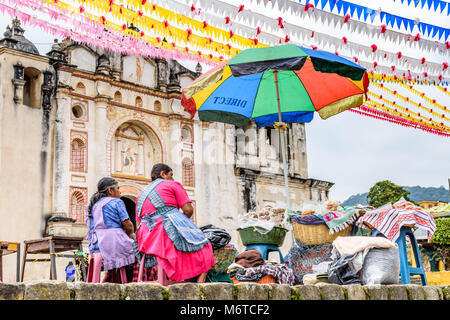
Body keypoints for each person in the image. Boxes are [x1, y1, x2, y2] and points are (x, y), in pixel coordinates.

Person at [135, 163, 215, 283]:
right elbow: (188, 210)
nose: (172, 178)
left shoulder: (141, 194)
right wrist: (182, 224)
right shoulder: (171, 184)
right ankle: (199, 288)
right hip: (164, 234)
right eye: (171, 175)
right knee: (205, 246)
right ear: (163, 174)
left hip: (145, 239)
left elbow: (138, 221)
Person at [85, 177, 135, 283]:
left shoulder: (90, 205)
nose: (120, 191)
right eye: (118, 188)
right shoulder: (117, 202)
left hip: (95, 245)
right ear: (110, 191)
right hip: (113, 244)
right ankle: (129, 282)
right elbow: (128, 225)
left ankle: (110, 279)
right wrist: (131, 234)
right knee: (139, 250)